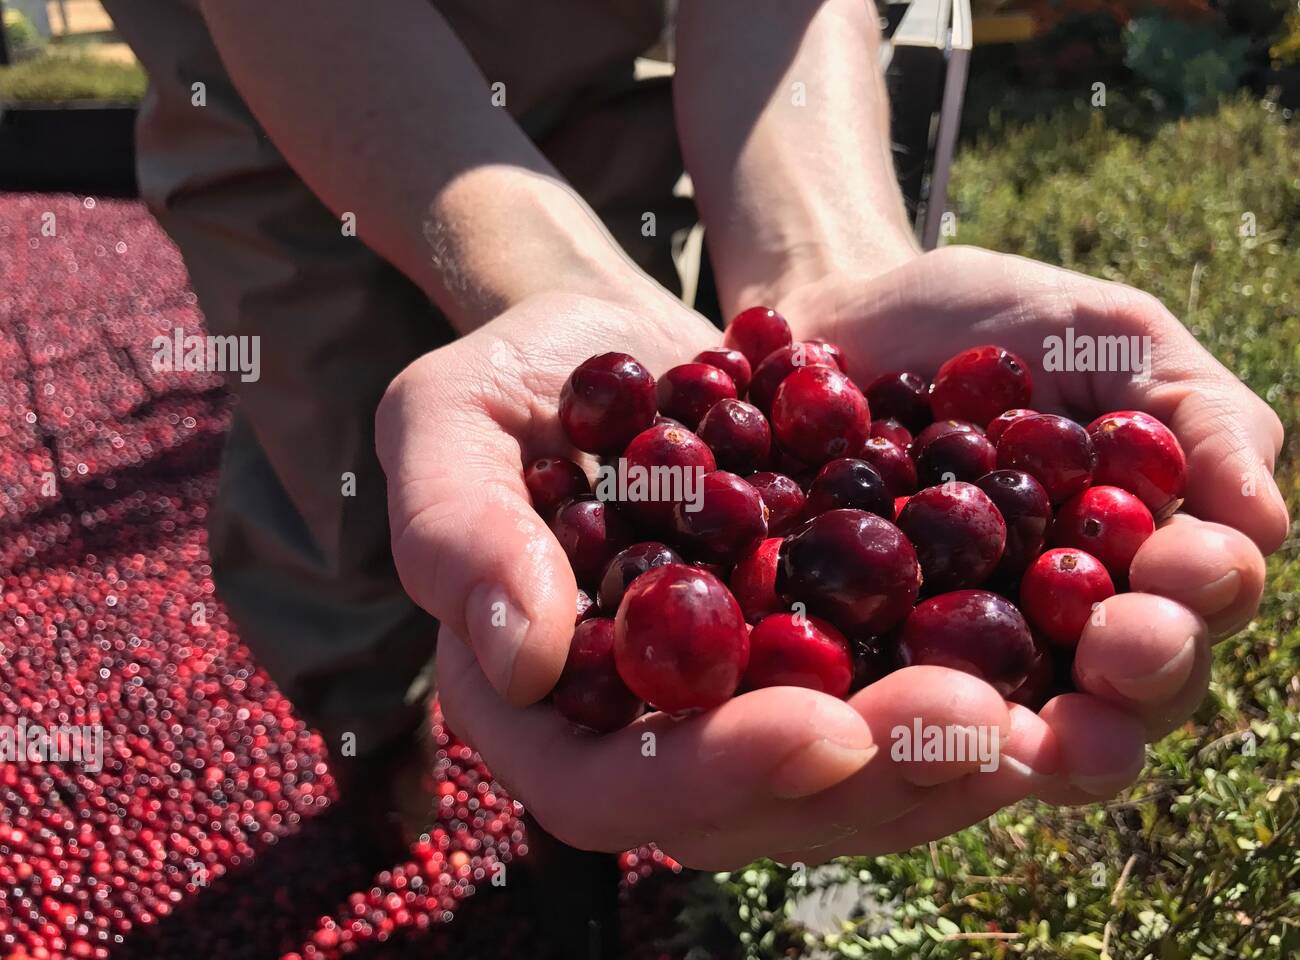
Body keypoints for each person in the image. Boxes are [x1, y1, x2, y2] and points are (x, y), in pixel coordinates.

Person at [102, 0, 1286, 878]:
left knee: (540, 553)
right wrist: (527, 285)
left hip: (621, 28)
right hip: (283, 51)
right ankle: (368, 727)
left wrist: (829, 263)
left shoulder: (815, 488)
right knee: (341, 444)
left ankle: (563, 833)